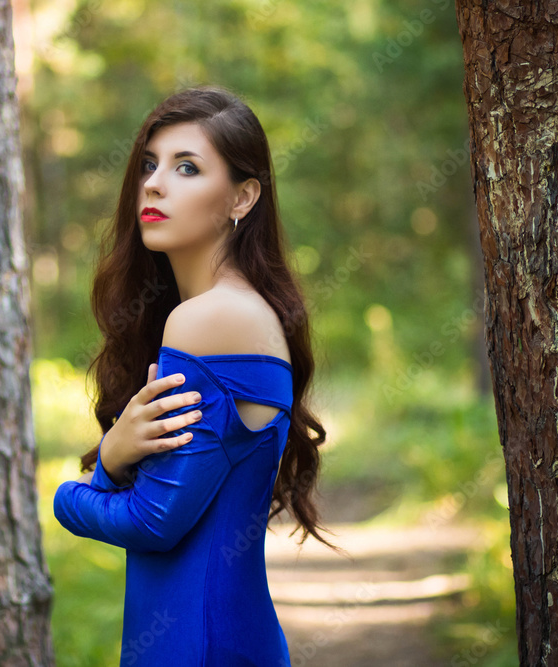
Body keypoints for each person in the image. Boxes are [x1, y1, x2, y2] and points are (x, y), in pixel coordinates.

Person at [53, 85, 345, 666]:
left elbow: (154, 521)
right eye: (148, 164)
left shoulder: (209, 319)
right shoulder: (237, 311)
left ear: (242, 197)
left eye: (187, 167)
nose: (155, 183)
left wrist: (77, 490)